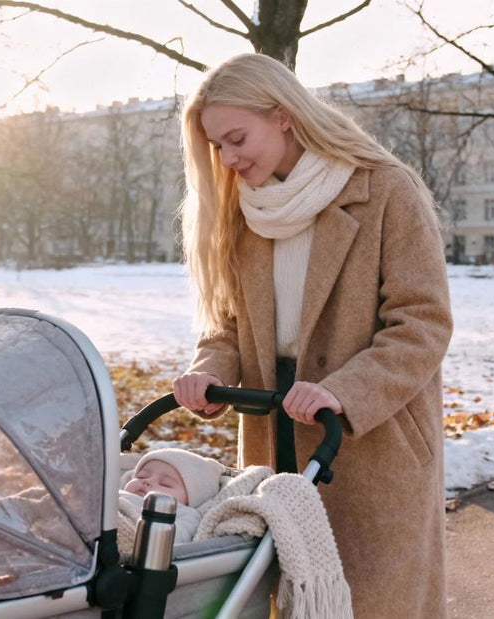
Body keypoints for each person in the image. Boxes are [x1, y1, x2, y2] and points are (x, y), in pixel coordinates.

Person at [171, 53, 453, 618]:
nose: (227, 160)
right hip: (274, 422)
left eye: (236, 138)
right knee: (287, 597)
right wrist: (212, 368)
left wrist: (345, 391)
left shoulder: (384, 190)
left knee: (373, 599)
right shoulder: (244, 212)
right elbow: (228, 322)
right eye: (217, 147)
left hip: (368, 434)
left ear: (282, 115)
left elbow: (422, 321)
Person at [120, 447, 225, 543]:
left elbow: (174, 538)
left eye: (165, 484)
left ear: (191, 500)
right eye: (142, 476)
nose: (147, 481)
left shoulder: (186, 514)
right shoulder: (118, 492)